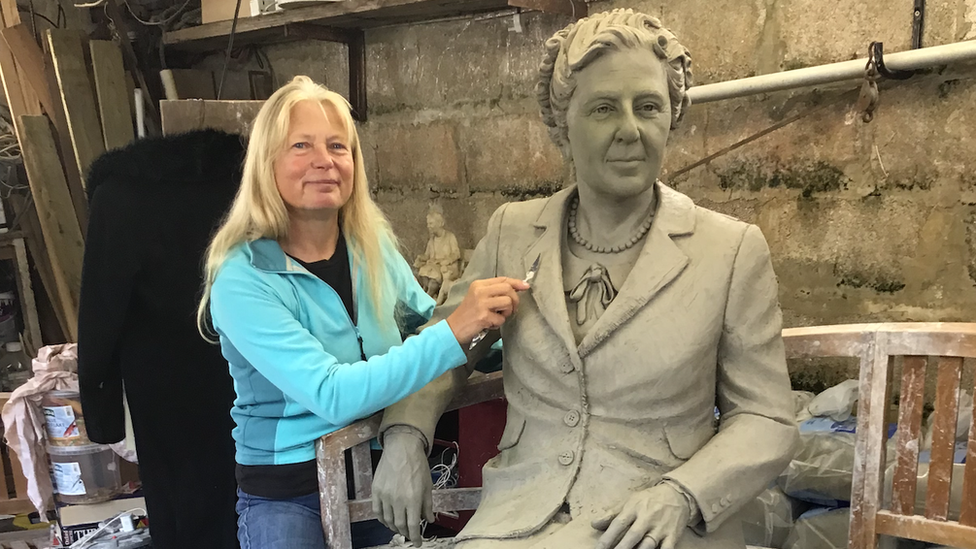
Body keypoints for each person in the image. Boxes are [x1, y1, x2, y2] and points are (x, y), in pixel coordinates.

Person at [372, 9, 799, 549]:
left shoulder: (730, 250)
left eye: (649, 107)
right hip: (517, 519)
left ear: (672, 116)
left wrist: (681, 493)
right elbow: (444, 348)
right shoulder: (513, 232)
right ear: (562, 122)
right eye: (603, 109)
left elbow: (766, 418)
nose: (630, 130)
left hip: (654, 525)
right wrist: (407, 436)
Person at [195, 75, 528, 549]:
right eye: (302, 146)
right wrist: (457, 329)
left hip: (376, 475)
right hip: (289, 496)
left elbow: (423, 327)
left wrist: (502, 338)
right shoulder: (244, 278)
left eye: (338, 146)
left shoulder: (372, 251)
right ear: (267, 164)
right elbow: (333, 395)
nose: (324, 161)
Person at [79, 129, 245, 549]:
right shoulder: (248, 180)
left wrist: (102, 414)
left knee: (180, 501)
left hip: (161, 377)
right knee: (251, 488)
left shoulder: (118, 195)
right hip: (250, 360)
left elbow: (101, 305)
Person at [415, 206, 462, 304]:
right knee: (423, 272)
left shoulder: (450, 237)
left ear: (440, 223)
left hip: (447, 267)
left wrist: (447, 260)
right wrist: (421, 258)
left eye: (431, 223)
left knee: (433, 277)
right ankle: (428, 295)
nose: (428, 226)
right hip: (434, 266)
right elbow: (427, 255)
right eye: (428, 224)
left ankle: (427, 297)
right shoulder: (432, 240)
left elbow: (456, 253)